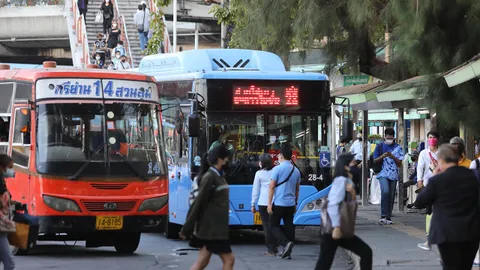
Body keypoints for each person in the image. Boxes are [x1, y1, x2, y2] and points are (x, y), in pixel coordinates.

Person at [414, 144, 480, 270]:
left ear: (441, 160)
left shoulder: (437, 180)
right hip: (471, 232)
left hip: (446, 234)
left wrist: (434, 175)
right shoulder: (474, 176)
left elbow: (420, 202)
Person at [180, 145, 234, 270]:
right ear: (220, 159)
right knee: (229, 260)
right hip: (212, 230)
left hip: (215, 229)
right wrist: (187, 228)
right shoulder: (210, 177)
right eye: (226, 157)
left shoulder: (219, 176)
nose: (227, 160)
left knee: (202, 262)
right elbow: (198, 203)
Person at [315, 154, 372, 270]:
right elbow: (332, 205)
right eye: (353, 163)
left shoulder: (348, 181)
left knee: (365, 252)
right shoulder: (341, 180)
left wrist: (352, 193)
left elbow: (351, 205)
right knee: (324, 263)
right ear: (345, 166)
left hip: (341, 229)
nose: (356, 166)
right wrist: (336, 227)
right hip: (333, 230)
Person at [267, 146, 301, 259]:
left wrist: (269, 203)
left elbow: (271, 187)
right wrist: (295, 203)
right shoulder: (296, 171)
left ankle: (285, 243)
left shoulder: (277, 169)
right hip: (291, 204)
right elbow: (297, 189)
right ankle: (288, 253)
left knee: (273, 225)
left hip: (279, 203)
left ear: (281, 156)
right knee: (289, 227)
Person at [372, 128, 404, 225]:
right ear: (385, 136)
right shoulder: (380, 146)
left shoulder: (398, 148)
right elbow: (374, 160)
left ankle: (388, 216)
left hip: (393, 174)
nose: (389, 139)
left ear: (394, 137)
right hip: (382, 173)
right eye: (388, 137)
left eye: (391, 138)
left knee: (391, 194)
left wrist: (392, 156)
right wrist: (383, 156)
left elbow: (399, 163)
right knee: (385, 191)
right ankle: (383, 215)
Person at [415, 130, 439, 251]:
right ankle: (429, 233)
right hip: (428, 184)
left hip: (440, 183)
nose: (432, 139)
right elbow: (420, 167)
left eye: (434, 137)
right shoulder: (424, 153)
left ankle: (432, 235)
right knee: (429, 210)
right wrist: (419, 180)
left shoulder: (441, 153)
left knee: (437, 208)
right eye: (430, 137)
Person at [251, 153, 277, 256]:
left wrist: (253, 204)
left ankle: (271, 249)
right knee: (274, 225)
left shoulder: (259, 174)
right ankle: (276, 246)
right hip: (275, 202)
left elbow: (256, 190)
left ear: (262, 163)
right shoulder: (276, 171)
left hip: (263, 203)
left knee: (266, 226)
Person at [0, 155, 17, 270]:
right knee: (9, 263)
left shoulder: (1, 179)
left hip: (3, 224)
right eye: (7, 168)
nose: (8, 171)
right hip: (0, 226)